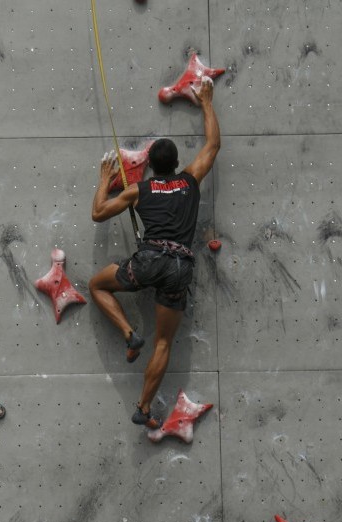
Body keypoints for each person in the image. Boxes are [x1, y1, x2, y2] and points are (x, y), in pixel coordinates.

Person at [88, 77, 220, 429]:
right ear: (176, 163)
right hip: (178, 267)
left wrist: (105, 179)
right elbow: (213, 145)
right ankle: (144, 408)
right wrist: (206, 100)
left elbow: (99, 213)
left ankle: (130, 334)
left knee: (97, 286)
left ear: (151, 165)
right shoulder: (190, 180)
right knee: (163, 342)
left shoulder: (139, 189)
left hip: (147, 262)